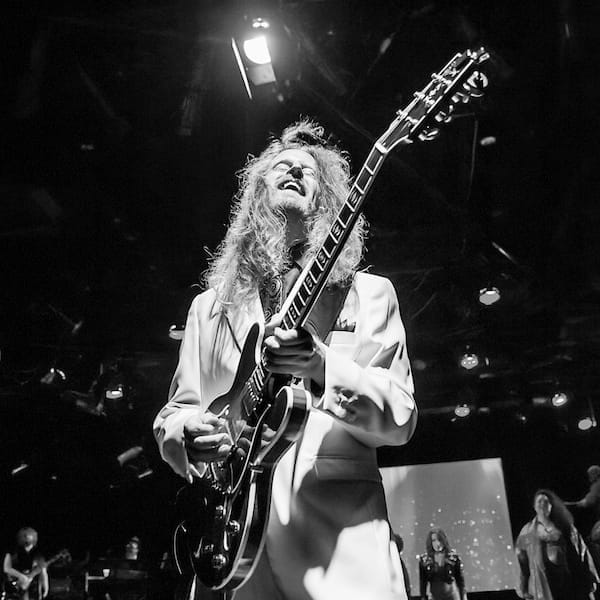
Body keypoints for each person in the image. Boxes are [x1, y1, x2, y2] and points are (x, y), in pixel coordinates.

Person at [153, 119, 417, 600]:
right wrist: (185, 435)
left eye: (309, 170)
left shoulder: (368, 295)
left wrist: (320, 368)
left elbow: (399, 418)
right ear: (255, 195)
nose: (295, 168)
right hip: (232, 549)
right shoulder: (208, 308)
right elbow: (178, 411)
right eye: (281, 166)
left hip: (340, 554)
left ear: (326, 200)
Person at [515, 488, 599, 600]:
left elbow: (582, 552)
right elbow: (521, 561)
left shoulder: (565, 528)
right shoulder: (527, 531)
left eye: (546, 501)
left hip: (565, 581)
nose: (543, 504)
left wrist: (590, 578)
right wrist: (523, 588)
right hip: (541, 585)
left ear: (551, 506)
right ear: (534, 506)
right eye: (539, 501)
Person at [418, 528, 466, 600]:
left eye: (439, 540)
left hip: (452, 596)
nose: (438, 543)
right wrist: (423, 597)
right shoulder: (424, 560)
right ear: (430, 542)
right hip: (434, 597)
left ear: (444, 540)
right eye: (434, 540)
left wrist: (464, 597)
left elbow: (460, 581)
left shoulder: (453, 557)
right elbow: (423, 583)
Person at [567, 465, 600, 568]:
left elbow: (589, 501)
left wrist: (577, 503)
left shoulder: (597, 485)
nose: (589, 477)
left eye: (590, 475)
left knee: (594, 537)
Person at [3, 527, 49, 600]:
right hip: (13, 587)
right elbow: (7, 568)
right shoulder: (13, 552)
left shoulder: (38, 555)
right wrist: (21, 576)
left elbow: (43, 572)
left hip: (31, 588)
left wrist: (46, 588)